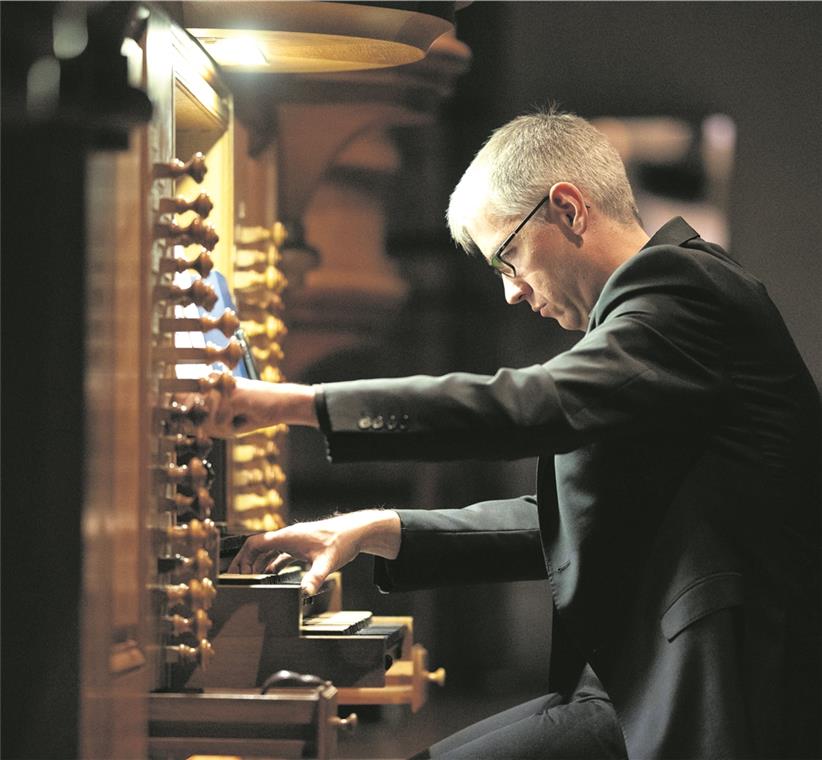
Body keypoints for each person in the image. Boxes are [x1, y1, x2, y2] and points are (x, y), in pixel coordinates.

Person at [202, 107, 821, 759]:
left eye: (509, 257)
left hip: (718, 695)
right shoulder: (649, 322)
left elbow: (523, 404)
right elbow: (571, 524)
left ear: (568, 209)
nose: (511, 292)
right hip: (636, 684)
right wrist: (374, 529)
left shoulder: (684, 290)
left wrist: (297, 404)